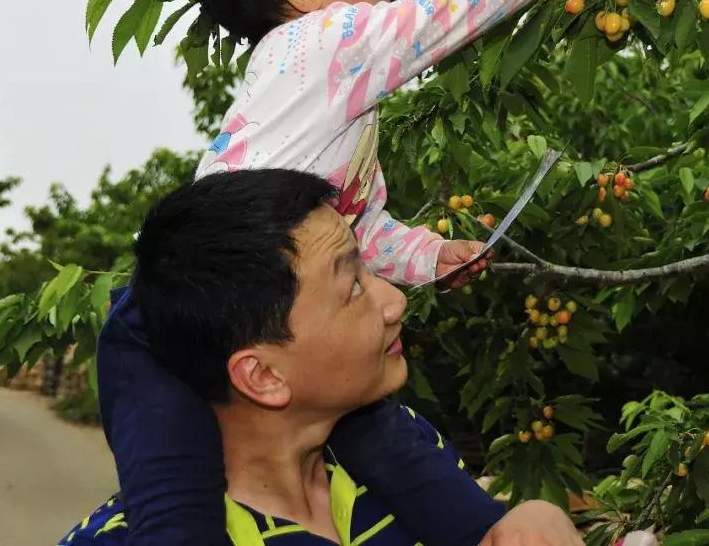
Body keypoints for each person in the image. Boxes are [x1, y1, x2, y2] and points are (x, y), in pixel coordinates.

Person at [97, 0, 610, 543]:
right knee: (175, 503)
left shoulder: (331, 106)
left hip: (289, 318)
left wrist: (428, 256)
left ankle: (484, 533)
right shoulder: (326, 43)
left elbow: (360, 229)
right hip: (167, 316)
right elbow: (445, 12)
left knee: (381, 437)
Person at [64, 170, 584, 546]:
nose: (395, 300)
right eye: (353, 286)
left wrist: (533, 519)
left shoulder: (412, 456)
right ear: (263, 375)